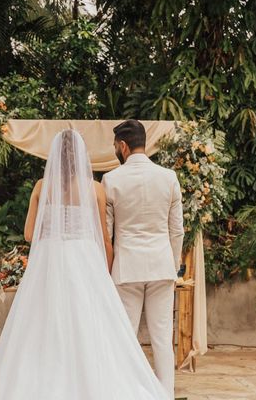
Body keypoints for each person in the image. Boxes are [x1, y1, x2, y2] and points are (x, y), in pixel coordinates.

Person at [0, 129, 169, 400]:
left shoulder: (42, 187)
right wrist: (106, 273)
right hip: (84, 258)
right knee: (86, 321)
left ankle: (47, 377)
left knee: (42, 322)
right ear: (80, 157)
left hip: (50, 259)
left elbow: (29, 234)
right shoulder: (94, 188)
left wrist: (53, 230)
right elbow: (104, 238)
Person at [102, 119, 185, 397]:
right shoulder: (169, 177)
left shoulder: (111, 180)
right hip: (161, 266)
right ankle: (166, 395)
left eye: (115, 146)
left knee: (126, 339)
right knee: (162, 339)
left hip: (127, 269)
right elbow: (177, 230)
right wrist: (172, 265)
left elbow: (107, 234)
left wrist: (109, 270)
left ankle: (126, 393)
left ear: (123, 146)